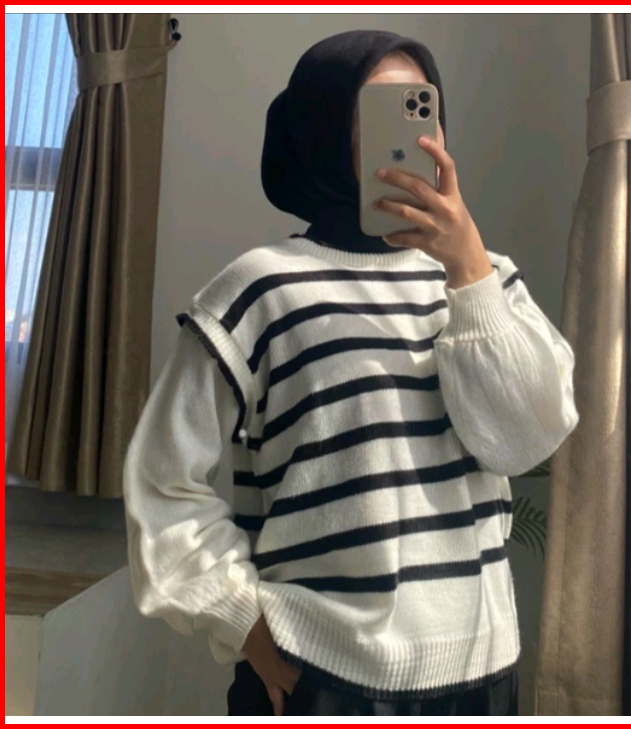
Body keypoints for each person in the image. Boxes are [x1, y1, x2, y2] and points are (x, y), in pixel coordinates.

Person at [123, 29, 579, 717]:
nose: (412, 137)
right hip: (319, 677)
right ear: (323, 129)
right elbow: (161, 480)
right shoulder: (259, 289)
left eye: (421, 108)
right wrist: (240, 619)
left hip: (482, 675)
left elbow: (526, 441)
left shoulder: (485, 281)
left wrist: (468, 270)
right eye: (381, 112)